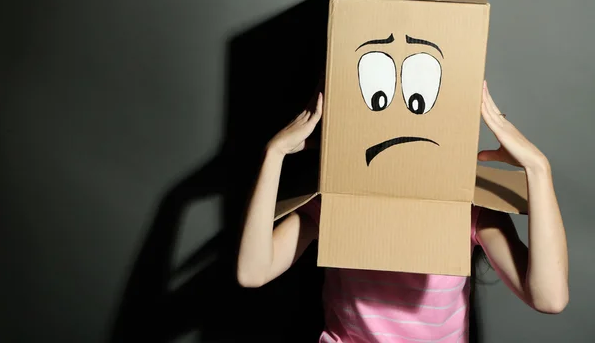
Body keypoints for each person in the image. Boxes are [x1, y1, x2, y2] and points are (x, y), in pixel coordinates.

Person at [236, 81, 568, 342]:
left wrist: (538, 168)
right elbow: (252, 272)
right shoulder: (333, 205)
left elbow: (549, 298)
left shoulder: (471, 212)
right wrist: (275, 153)